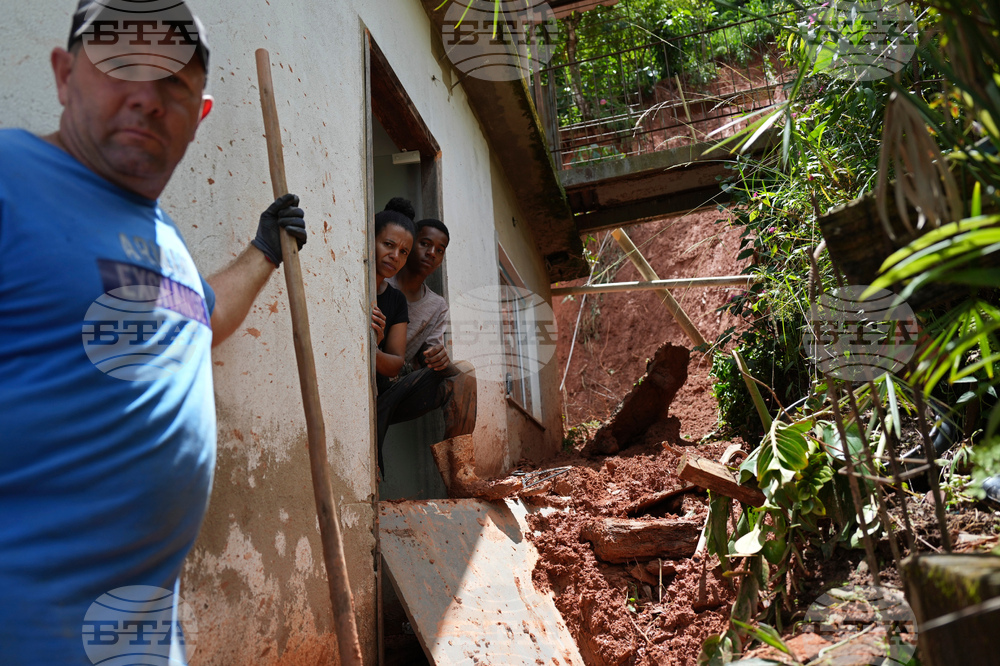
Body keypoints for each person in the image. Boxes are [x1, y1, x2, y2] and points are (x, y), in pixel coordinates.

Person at [0, 2, 307, 663]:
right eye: (120, 62)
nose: (146, 95)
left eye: (173, 79)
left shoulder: (157, 236)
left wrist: (265, 252)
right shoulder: (9, 180)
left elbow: (198, 318)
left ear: (198, 115)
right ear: (63, 75)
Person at [378, 218, 516, 498]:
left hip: (400, 387)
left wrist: (441, 359)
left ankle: (461, 478)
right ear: (409, 244)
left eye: (440, 249)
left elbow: (428, 359)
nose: (431, 253)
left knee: (464, 371)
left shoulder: (436, 305)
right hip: (369, 377)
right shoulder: (381, 280)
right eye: (425, 243)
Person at [370, 210, 416, 470]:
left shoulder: (396, 300)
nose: (395, 256)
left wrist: (372, 348)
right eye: (388, 244)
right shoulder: (346, 282)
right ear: (370, 239)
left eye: (404, 251)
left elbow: (395, 363)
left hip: (380, 393)